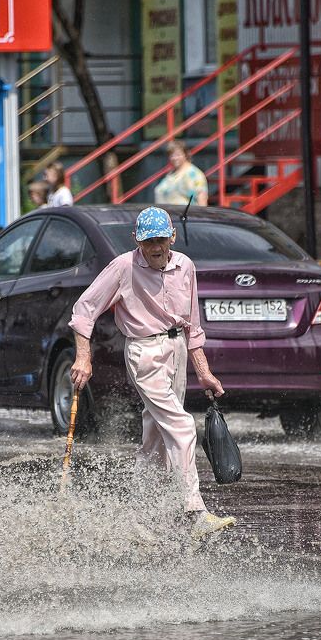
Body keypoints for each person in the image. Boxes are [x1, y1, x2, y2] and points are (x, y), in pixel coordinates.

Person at [68, 206, 236, 538]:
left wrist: (203, 371)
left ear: (172, 236)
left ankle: (136, 519)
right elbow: (84, 309)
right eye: (148, 242)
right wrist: (83, 358)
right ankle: (195, 511)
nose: (156, 247)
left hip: (176, 351)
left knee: (156, 439)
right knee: (182, 425)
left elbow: (193, 324)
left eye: (161, 239)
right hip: (144, 353)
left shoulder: (185, 266)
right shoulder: (123, 267)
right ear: (137, 241)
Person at [154, 140, 208, 206]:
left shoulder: (195, 174)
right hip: (167, 214)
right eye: (171, 155)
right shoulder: (171, 174)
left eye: (178, 154)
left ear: (185, 155)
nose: (174, 158)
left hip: (185, 215)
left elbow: (202, 200)